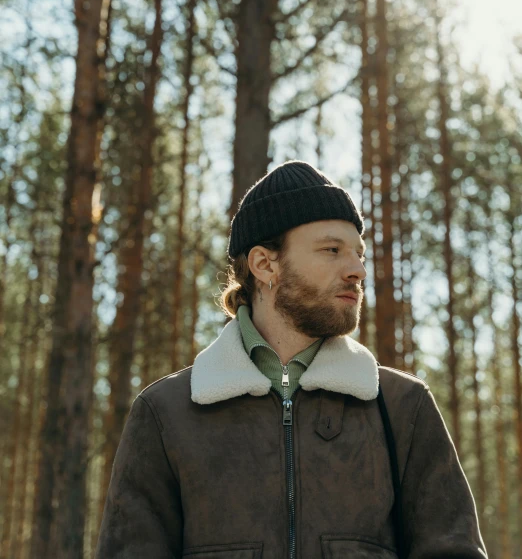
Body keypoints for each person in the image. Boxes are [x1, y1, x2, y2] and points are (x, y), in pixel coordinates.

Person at [96, 160, 487, 558]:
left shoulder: (404, 407)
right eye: (332, 250)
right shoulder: (165, 414)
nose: (357, 270)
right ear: (265, 265)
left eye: (358, 253)